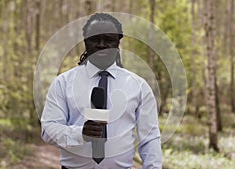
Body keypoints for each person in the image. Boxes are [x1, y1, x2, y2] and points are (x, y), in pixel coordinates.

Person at [41, 13, 162, 169]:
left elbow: (150, 138)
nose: (101, 44)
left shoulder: (138, 86)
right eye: (94, 39)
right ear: (85, 41)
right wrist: (80, 134)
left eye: (109, 40)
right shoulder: (63, 83)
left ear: (118, 42)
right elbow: (48, 130)